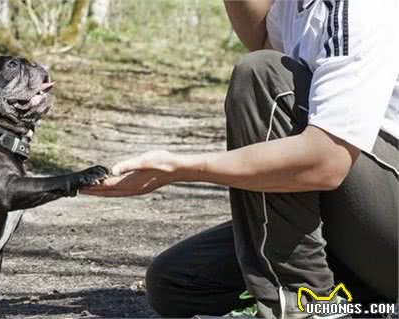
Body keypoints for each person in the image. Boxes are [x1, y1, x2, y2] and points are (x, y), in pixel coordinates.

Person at [82, 0, 399, 318]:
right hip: (369, 235)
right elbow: (263, 39)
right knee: (178, 282)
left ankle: (308, 306)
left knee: (264, 78)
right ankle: (360, 306)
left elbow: (326, 162)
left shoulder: (360, 7)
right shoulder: (295, 6)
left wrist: (179, 168)